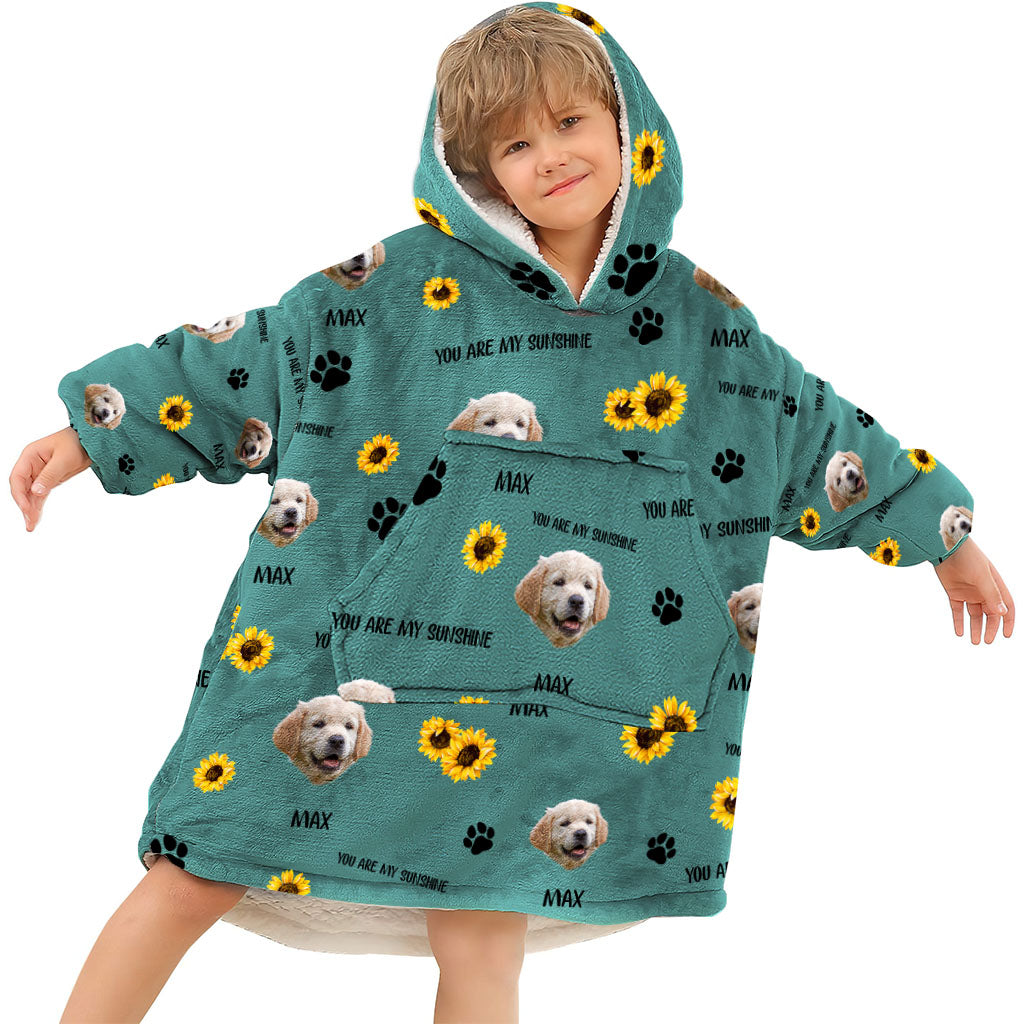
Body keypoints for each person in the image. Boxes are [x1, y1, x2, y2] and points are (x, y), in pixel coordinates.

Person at [10, 4, 1014, 1023]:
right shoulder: (392, 290)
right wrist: (93, 432)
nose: (552, 157)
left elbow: (810, 430)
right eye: (516, 145)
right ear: (477, 171)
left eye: (571, 123)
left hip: (545, 702)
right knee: (199, 862)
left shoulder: (702, 325)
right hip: (344, 649)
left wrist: (943, 535)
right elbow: (254, 357)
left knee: (487, 927)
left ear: (629, 128)